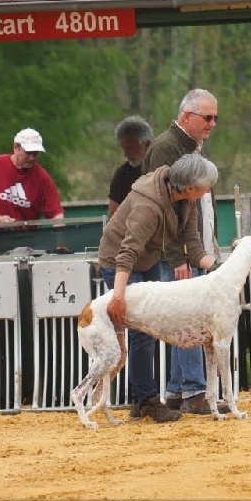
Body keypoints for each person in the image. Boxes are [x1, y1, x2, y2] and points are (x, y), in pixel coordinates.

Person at [98, 153, 218, 423]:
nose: (208, 191)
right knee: (141, 330)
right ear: (189, 187)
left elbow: (193, 245)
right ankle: (146, 401)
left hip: (148, 259)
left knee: (148, 329)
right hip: (119, 262)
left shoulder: (187, 200)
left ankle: (142, 400)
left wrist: (224, 267)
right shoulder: (149, 206)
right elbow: (127, 253)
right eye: (205, 187)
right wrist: (118, 296)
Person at [141, 88, 223, 415]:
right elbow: (160, 207)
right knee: (189, 317)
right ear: (187, 116)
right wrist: (178, 256)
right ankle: (194, 388)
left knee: (184, 315)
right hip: (173, 252)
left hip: (190, 247)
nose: (213, 123)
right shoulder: (166, 147)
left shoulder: (190, 146)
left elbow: (195, 205)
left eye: (215, 118)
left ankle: (178, 389)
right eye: (208, 117)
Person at [0, 127, 64, 229]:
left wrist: (60, 236)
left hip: (26, 237)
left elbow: (56, 213)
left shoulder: (43, 178)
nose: (32, 158)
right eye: (28, 152)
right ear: (16, 147)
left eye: (35, 154)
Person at [107, 116, 154, 220]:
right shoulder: (122, 174)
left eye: (132, 148)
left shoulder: (163, 168)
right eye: (124, 148)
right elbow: (113, 214)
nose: (126, 154)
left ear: (148, 144)